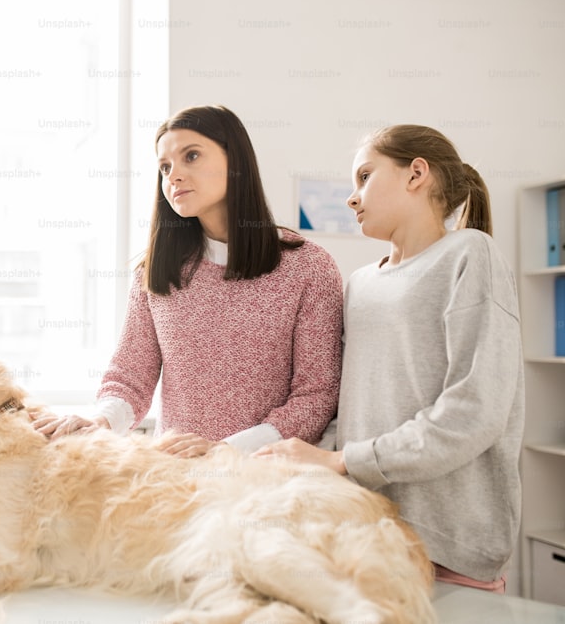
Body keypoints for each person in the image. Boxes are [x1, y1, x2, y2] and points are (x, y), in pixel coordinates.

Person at [254, 124, 524, 593]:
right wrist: (317, 463)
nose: (352, 198)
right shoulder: (360, 283)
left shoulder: (470, 254)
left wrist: (341, 462)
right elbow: (350, 407)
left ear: (416, 173)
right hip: (364, 534)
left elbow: (475, 413)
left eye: (364, 177)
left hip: (446, 545)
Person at [35, 105, 343, 457]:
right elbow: (130, 378)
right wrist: (100, 422)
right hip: (175, 482)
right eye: (165, 167)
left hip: (267, 482)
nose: (173, 176)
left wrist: (227, 450)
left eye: (191, 156)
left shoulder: (308, 268)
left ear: (236, 162)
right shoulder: (154, 273)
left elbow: (317, 395)